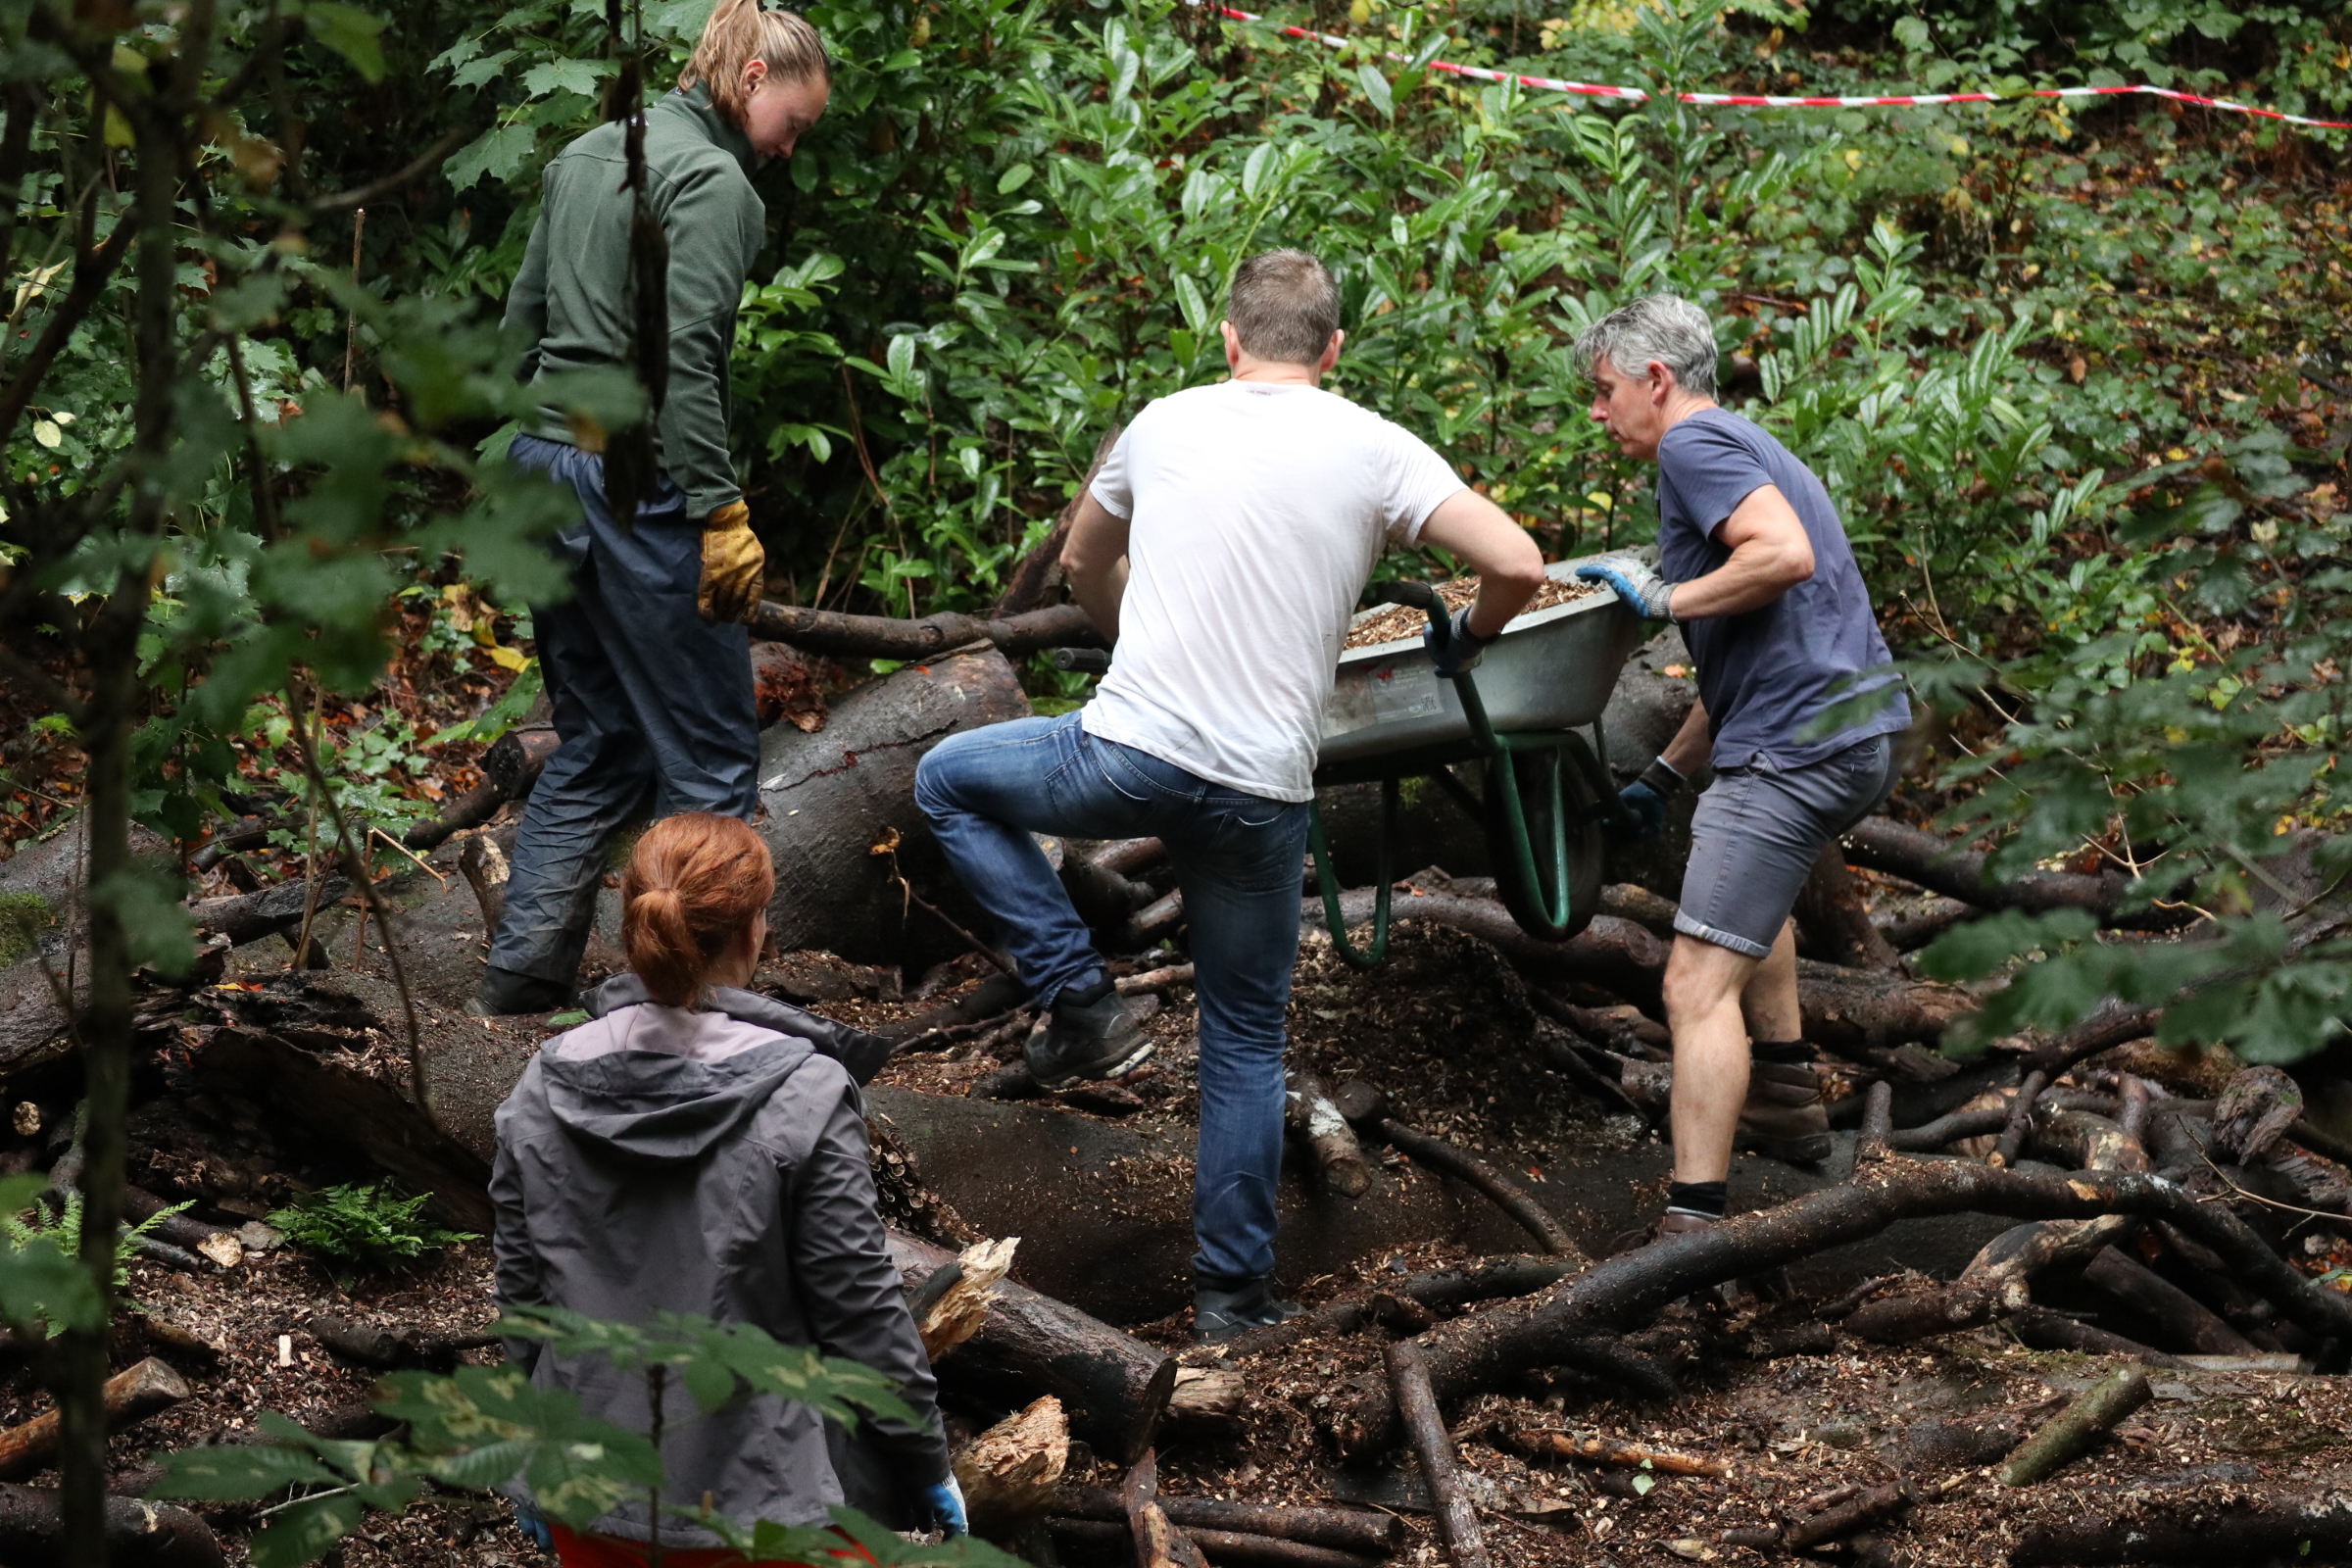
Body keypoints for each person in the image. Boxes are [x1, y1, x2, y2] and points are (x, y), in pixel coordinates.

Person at [913, 250, 1545, 1342]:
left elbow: (1080, 560)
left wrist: (1131, 634)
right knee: (1246, 1040)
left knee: (946, 781)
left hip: (1131, 754)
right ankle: (1231, 1303)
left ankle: (1082, 1002)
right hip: (1260, 788)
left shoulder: (1164, 422)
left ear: (1230, 339)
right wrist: (1472, 642)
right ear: (1334, 350)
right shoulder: (1375, 445)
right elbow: (1521, 562)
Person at [475, 0, 832, 1015]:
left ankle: (517, 985)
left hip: (547, 466)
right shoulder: (713, 180)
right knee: (712, 758)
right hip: (635, 482)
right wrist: (719, 510)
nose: (791, 148)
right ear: (752, 78)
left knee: (601, 742)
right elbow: (684, 361)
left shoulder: (588, 152)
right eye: (793, 123)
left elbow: (521, 324)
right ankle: (692, 1011)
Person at [490, 812, 964, 1561]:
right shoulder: (804, 1091)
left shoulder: (543, 1083)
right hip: (762, 1504)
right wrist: (925, 1461)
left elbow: (522, 1299)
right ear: (754, 932)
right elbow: (859, 1308)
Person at [1570, 293, 1911, 1244]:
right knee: (1746, 905)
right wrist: (1667, 777)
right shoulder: (1756, 447)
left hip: (1794, 750)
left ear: (1655, 380)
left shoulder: (1693, 448)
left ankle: (1691, 1227)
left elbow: (1785, 558)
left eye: (1603, 393)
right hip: (1851, 735)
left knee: (1692, 982)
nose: (1598, 414)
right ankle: (1790, 1089)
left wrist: (1664, 595)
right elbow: (1759, 654)